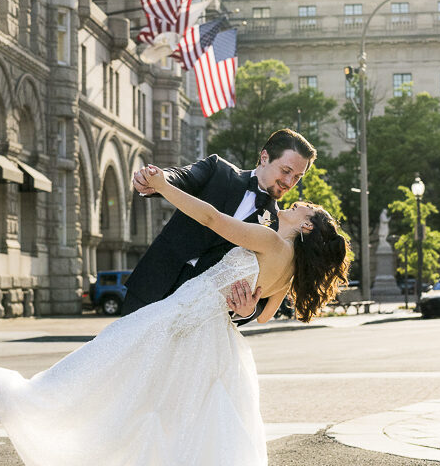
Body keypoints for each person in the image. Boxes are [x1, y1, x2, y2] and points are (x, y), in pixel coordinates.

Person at [0, 166, 430, 466]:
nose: (298, 201)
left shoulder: (273, 242)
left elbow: (212, 219)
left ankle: (27, 399)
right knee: (159, 406)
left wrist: (162, 186)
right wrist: (243, 303)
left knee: (108, 363)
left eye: (305, 206)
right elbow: (265, 310)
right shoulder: (289, 264)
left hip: (185, 322)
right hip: (208, 334)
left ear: (307, 227)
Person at [122, 128, 317, 325]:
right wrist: (157, 180)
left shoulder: (278, 226)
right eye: (286, 171)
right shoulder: (218, 169)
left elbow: (264, 296)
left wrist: (248, 311)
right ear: (265, 157)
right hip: (151, 285)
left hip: (200, 316)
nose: (288, 182)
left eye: (297, 177)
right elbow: (181, 176)